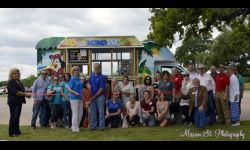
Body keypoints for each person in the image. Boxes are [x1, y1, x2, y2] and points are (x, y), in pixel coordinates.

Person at [7, 68, 31, 137]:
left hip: (19, 102)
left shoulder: (19, 82)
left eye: (18, 73)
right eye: (15, 73)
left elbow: (22, 91)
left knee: (17, 117)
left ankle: (17, 131)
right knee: (13, 117)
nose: (17, 74)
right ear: (11, 75)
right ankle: (11, 133)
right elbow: (15, 92)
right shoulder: (10, 82)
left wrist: (27, 95)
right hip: (13, 102)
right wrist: (25, 94)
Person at [89, 63, 106, 130]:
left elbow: (102, 88)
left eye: (97, 67)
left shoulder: (102, 77)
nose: (96, 68)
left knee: (101, 112)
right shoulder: (91, 76)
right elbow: (89, 84)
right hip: (92, 96)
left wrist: (95, 96)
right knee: (93, 112)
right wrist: (88, 86)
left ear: (100, 68)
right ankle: (94, 126)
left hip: (100, 96)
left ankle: (101, 126)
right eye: (95, 67)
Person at [68, 66, 83, 132]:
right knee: (75, 113)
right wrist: (75, 93)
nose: (76, 71)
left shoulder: (79, 78)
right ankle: (75, 128)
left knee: (80, 113)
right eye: (75, 70)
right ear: (73, 71)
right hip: (74, 98)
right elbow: (69, 88)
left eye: (77, 70)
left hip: (80, 98)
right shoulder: (72, 79)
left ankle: (74, 126)